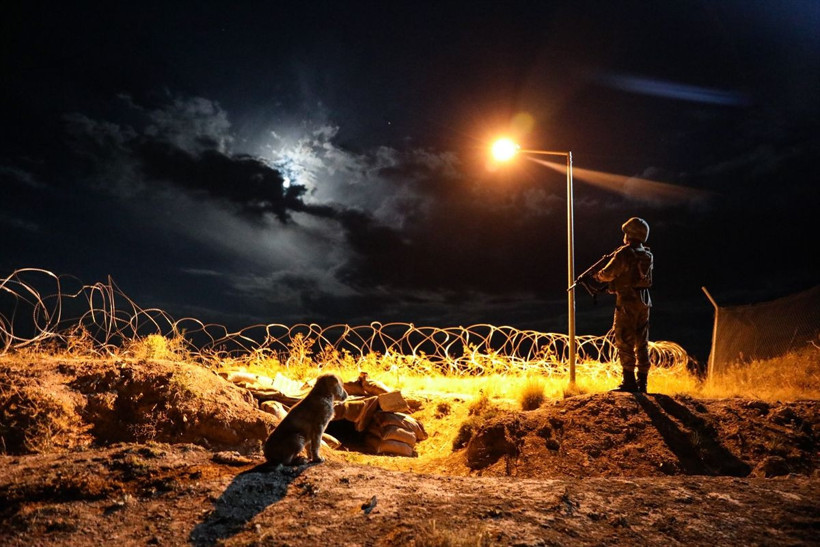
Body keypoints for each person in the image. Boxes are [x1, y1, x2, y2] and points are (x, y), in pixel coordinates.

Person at [593, 217, 654, 393]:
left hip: (627, 301)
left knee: (624, 339)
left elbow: (608, 273)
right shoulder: (647, 254)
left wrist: (597, 277)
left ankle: (629, 382)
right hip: (644, 301)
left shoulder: (624, 253)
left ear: (630, 234)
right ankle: (642, 383)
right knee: (642, 341)